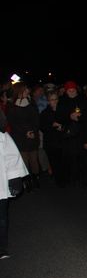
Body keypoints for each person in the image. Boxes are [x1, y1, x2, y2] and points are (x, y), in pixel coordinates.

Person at [0, 111, 29, 260]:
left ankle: (1, 246)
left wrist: (14, 178)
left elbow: (11, 156)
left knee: (1, 217)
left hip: (0, 185)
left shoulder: (2, 135)